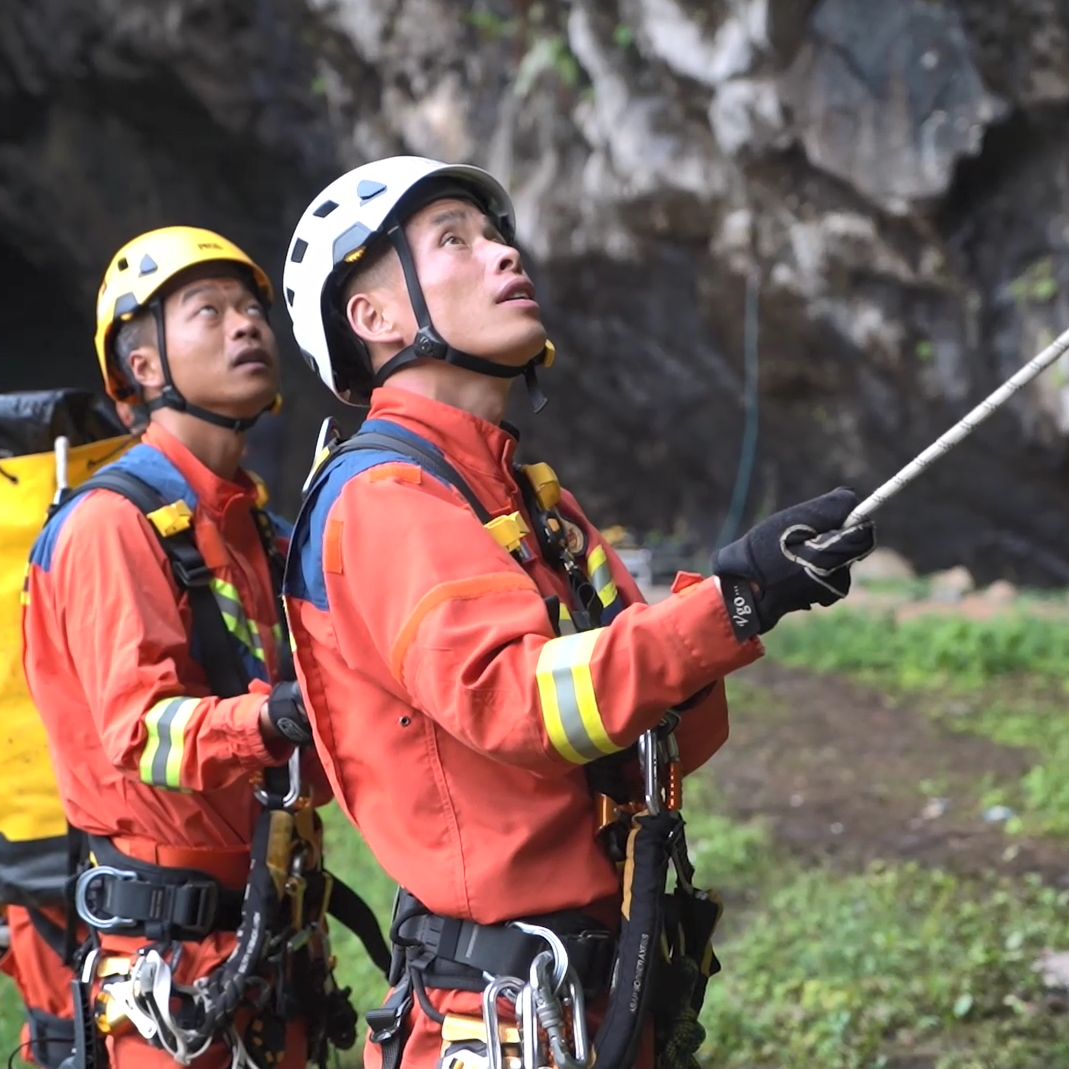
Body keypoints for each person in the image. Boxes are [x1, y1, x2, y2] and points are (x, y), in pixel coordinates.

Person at [276, 155, 877, 1069]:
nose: (502, 254)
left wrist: (737, 607)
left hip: (601, 987)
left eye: (496, 235)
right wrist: (730, 604)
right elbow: (517, 701)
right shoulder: (387, 496)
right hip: (508, 1016)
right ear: (375, 318)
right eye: (453, 241)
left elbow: (658, 732)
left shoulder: (530, 503)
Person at [22, 226, 363, 1069]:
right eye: (206, 312)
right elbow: (139, 732)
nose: (245, 324)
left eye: (251, 308)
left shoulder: (264, 532)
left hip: (275, 943)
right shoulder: (110, 525)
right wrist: (281, 717)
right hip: (167, 966)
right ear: (143, 369)